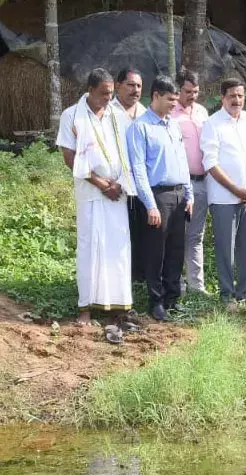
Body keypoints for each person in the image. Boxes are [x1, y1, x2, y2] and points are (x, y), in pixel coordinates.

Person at [56, 68, 136, 324]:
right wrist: (101, 183)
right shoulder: (72, 115)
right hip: (91, 190)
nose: (108, 98)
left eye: (111, 93)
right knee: (90, 248)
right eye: (103, 94)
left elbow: (129, 153)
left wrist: (119, 183)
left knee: (118, 249)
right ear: (89, 90)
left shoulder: (117, 115)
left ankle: (117, 306)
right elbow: (70, 158)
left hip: (118, 191)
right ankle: (86, 308)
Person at [127, 76, 193, 321]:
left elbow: (182, 161)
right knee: (156, 252)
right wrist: (150, 204)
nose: (174, 105)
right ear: (155, 96)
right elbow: (139, 169)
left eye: (176, 100)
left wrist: (189, 193)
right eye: (170, 100)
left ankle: (172, 299)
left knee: (176, 249)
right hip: (158, 196)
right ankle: (155, 302)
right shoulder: (140, 127)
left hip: (178, 195)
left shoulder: (172, 125)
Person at [201, 78, 246, 310]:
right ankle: (227, 295)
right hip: (224, 198)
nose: (237, 100)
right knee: (225, 247)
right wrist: (235, 189)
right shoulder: (212, 123)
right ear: (223, 97)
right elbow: (211, 163)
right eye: (232, 96)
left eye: (240, 96)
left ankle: (245, 293)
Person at [172, 69, 210, 295]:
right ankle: (177, 285)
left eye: (195, 91)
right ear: (178, 90)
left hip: (203, 182)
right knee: (178, 235)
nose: (192, 95)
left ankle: (197, 286)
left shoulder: (203, 112)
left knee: (196, 236)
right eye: (188, 91)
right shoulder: (170, 114)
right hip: (179, 185)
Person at [111, 67, 148, 283]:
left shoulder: (145, 113)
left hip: (142, 185)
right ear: (118, 85)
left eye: (139, 86)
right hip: (116, 185)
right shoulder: (108, 113)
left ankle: (139, 279)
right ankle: (119, 279)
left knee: (141, 233)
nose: (135, 90)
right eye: (131, 85)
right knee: (119, 234)